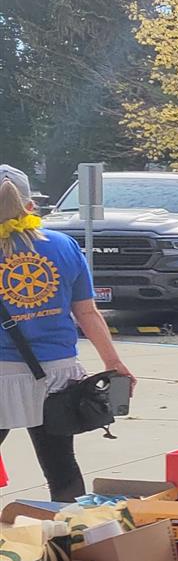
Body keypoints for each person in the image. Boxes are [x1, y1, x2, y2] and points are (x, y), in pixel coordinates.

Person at [0, 165, 135, 501]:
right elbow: (87, 312)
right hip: (56, 373)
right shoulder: (62, 245)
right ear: (31, 205)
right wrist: (113, 362)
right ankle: (67, 530)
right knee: (61, 469)